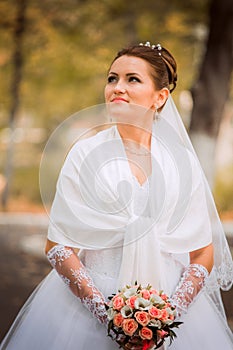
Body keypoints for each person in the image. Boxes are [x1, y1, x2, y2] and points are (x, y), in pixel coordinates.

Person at [1, 41, 233, 350]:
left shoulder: (182, 162)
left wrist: (168, 315)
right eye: (112, 78)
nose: (117, 87)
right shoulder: (85, 154)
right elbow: (58, 246)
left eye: (132, 79)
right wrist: (107, 314)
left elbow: (202, 253)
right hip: (87, 307)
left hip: (170, 309)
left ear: (160, 97)